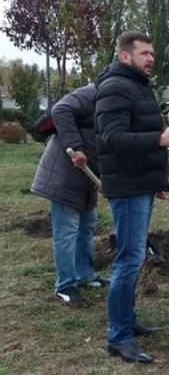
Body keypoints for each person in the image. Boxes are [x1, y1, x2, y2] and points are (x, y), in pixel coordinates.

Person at [95, 31, 169, 364]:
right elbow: (113, 138)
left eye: (151, 54)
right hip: (127, 188)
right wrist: (160, 139)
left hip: (140, 184)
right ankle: (118, 337)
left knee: (134, 256)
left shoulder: (137, 86)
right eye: (144, 53)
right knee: (129, 259)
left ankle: (128, 322)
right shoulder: (115, 87)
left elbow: (137, 135)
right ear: (124, 56)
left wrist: (156, 180)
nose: (150, 59)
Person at [31, 84, 109, 304]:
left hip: (87, 177)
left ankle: (86, 274)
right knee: (67, 232)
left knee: (87, 227)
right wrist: (77, 147)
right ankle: (65, 285)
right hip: (65, 173)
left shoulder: (117, 104)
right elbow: (60, 110)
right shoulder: (93, 92)